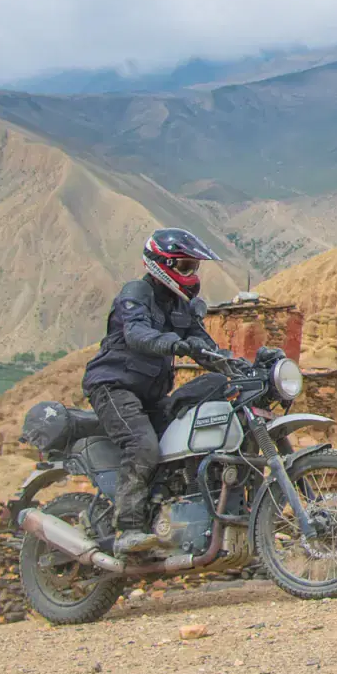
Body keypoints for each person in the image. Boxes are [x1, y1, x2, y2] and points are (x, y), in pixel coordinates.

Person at [80, 228, 226, 555]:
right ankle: (128, 529)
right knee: (143, 444)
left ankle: (166, 518)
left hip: (150, 393)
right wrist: (174, 343)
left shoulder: (181, 305)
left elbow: (203, 342)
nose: (192, 274)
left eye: (194, 267)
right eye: (186, 267)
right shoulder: (136, 293)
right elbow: (136, 333)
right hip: (113, 385)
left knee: (177, 446)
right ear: (163, 264)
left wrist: (233, 363)